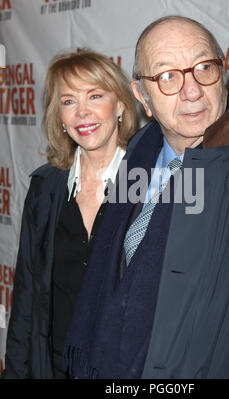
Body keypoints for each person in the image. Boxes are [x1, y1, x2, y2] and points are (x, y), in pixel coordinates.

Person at [63, 16, 229, 379]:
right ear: (143, 96)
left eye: (203, 68)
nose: (191, 91)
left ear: (223, 75)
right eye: (168, 76)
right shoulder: (138, 154)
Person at [2, 49, 138, 379]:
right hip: (54, 366)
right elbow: (26, 302)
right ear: (58, 116)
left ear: (120, 104)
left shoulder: (152, 184)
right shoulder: (45, 187)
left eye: (95, 95)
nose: (82, 113)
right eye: (68, 101)